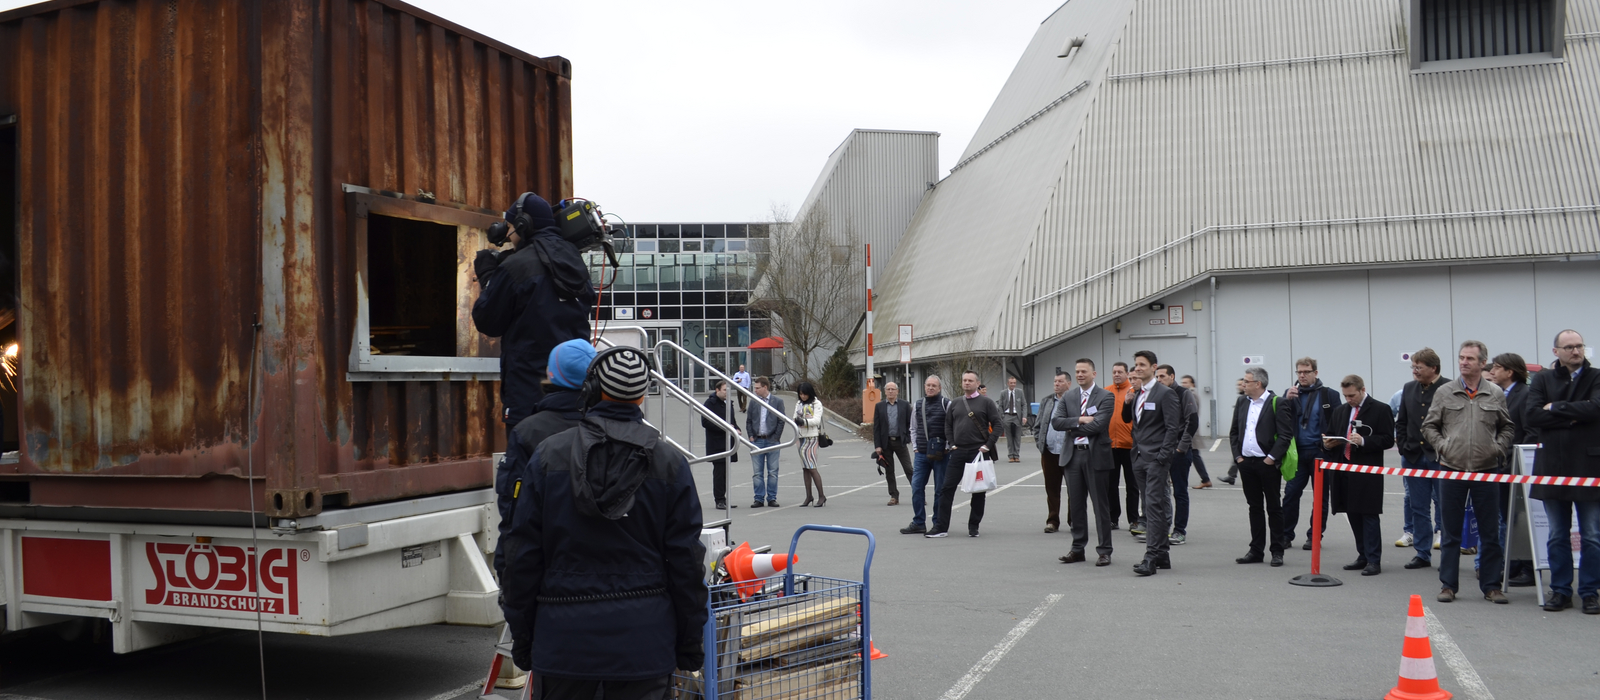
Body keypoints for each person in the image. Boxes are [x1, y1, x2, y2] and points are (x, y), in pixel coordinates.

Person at [501, 346, 708, 698]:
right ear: (642, 396)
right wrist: (689, 646)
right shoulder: (670, 463)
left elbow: (521, 556)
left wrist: (523, 638)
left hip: (563, 643)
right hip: (644, 645)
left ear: (591, 390)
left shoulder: (548, 456)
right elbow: (687, 565)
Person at [472, 193, 598, 441]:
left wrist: (489, 278)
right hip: (573, 393)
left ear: (522, 225)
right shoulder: (574, 261)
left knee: (525, 469)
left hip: (527, 391)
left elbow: (488, 321)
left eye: (509, 226)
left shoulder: (516, 267)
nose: (506, 233)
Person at [1422, 340, 1514, 604]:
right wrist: (1443, 446)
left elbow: (1507, 427)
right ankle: (1448, 586)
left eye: (1470, 359)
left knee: (1489, 531)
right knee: (1450, 532)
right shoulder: (1445, 392)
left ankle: (1491, 586)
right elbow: (1430, 426)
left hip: (1487, 471)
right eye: (1462, 358)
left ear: (1482, 363)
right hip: (1452, 470)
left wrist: (1497, 449)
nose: (1464, 362)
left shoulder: (1495, 392)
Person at [496, 339, 596, 580]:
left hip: (548, 568)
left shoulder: (527, 431)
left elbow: (514, 509)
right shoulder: (610, 426)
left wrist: (506, 566)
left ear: (551, 374)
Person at [1524, 330, 1600, 614]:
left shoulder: (1597, 377)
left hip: (1589, 468)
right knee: (1557, 534)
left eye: (1579, 346)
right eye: (1569, 347)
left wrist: (1556, 408)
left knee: (1592, 535)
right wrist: (1575, 417)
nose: (1576, 351)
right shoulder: (1543, 378)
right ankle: (1560, 591)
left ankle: (1590, 592)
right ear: (1556, 351)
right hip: (1552, 467)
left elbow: (1597, 408)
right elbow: (1531, 415)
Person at [1323, 374, 1394, 576]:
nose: (1349, 400)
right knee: (1352, 512)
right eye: (1345, 396)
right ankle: (1362, 555)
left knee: (1369, 514)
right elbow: (1331, 434)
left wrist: (1364, 441)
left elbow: (1388, 439)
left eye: (1352, 395)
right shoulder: (1340, 411)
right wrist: (1328, 443)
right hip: (1344, 468)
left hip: (1367, 470)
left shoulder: (1380, 409)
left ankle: (1374, 559)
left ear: (1363, 390)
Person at [1229, 366, 1296, 567]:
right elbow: (1234, 433)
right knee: (1254, 507)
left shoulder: (1278, 403)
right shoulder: (1242, 402)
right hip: (1246, 463)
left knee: (1274, 507)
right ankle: (1256, 550)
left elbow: (1285, 435)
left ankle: (1277, 551)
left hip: (1266, 464)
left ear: (1258, 384)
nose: (1243, 385)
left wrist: (1271, 458)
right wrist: (1238, 457)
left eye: (1246, 381)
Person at [1123, 351, 1183, 575]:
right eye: (1135, 364)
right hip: (1139, 457)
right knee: (1150, 505)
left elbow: (1172, 428)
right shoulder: (1139, 393)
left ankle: (1151, 555)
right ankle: (1162, 555)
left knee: (1153, 508)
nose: (1137, 368)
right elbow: (1135, 424)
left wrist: (1162, 457)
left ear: (1153, 367)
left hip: (1156, 459)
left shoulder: (1164, 394)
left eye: (1141, 365)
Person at [1053, 359, 1117, 566]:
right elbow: (1056, 422)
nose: (1080, 374)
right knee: (1077, 505)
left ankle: (1104, 550)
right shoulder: (1069, 397)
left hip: (1095, 456)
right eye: (1077, 371)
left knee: (1100, 506)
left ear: (1094, 373)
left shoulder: (1106, 396)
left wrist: (1071, 428)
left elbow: (1099, 426)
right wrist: (1080, 420)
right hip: (1072, 457)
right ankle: (1077, 548)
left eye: (1084, 371)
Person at [930, 370, 1002, 538]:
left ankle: (973, 526)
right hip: (958, 452)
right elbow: (948, 425)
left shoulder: (986, 403)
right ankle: (940, 527)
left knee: (978, 491)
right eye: (964, 380)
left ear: (977, 383)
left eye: (970, 380)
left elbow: (998, 425)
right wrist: (952, 444)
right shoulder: (955, 403)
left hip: (978, 452)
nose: (967, 383)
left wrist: (988, 445)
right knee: (946, 488)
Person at [1397, 347, 1450, 570]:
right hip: (1412, 456)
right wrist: (1402, 446)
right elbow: (1402, 421)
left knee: (1445, 507)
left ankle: (1448, 554)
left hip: (1439, 457)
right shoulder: (1409, 388)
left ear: (1433, 368)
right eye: (1413, 367)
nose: (1414, 371)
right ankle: (1422, 553)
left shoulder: (1449, 388)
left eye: (1418, 367)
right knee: (1418, 507)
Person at [1487, 353, 1536, 586]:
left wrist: (1515, 461)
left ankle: (1527, 568)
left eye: (1497, 368)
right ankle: (1513, 566)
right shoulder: (1500, 394)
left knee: (1520, 520)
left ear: (1510, 371)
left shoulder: (1524, 395)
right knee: (1508, 519)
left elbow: (1530, 432)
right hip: (1501, 466)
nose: (1493, 372)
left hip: (1516, 466)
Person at [1282, 358, 1341, 551]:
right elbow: (1282, 420)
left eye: (1306, 372)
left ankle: (1314, 536)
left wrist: (1331, 446)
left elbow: (1337, 422)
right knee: (1290, 494)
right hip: (1297, 454)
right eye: (1299, 372)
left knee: (1320, 497)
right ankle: (1286, 535)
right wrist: (1287, 401)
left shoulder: (1329, 395)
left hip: (1320, 453)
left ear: (1315, 373)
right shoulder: (1291, 394)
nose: (1302, 375)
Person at [901, 376, 952, 535]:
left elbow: (952, 427)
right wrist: (916, 448)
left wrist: (947, 446)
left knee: (939, 490)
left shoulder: (947, 404)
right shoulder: (917, 404)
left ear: (939, 388)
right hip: (922, 454)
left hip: (941, 455)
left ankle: (937, 523)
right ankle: (918, 522)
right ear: (924, 386)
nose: (930, 388)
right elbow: (913, 428)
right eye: (928, 385)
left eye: (934, 386)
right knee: (916, 487)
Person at [1155, 364, 1199, 544]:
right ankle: (1159, 528)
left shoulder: (1183, 393)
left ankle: (1179, 530)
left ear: (1172, 377)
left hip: (1178, 451)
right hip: (1161, 449)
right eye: (1157, 377)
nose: (1159, 380)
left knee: (1179, 492)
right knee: (1158, 491)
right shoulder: (1157, 394)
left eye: (1162, 377)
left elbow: (1193, 421)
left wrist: (1181, 448)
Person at [1036, 370, 1072, 533]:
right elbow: (1038, 425)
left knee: (1074, 489)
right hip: (1049, 452)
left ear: (1068, 384)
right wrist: (1040, 443)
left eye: (1060, 381)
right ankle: (1052, 520)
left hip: (1070, 452)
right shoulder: (1046, 401)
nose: (1056, 384)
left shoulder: (1075, 401)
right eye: (1055, 381)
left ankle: (1074, 520)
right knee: (1052, 489)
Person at [1106, 362, 1141, 531]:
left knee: (1132, 486)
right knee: (1111, 485)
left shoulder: (1134, 392)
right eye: (1114, 372)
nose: (1116, 374)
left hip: (1130, 446)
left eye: (1120, 372)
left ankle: (1133, 519)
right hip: (1110, 446)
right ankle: (1113, 518)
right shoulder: (1106, 392)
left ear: (1127, 373)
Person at [746, 377, 786, 508]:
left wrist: (776, 437)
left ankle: (772, 498)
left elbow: (781, 420)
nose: (755, 390)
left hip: (772, 440)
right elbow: (749, 421)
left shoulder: (777, 402)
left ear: (765, 387)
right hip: (757, 440)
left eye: (757, 388)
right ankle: (758, 498)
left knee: (773, 471)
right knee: (757, 472)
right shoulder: (753, 402)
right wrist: (751, 436)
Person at [873, 382, 915, 506]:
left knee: (908, 469)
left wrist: (907, 438)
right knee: (889, 471)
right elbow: (876, 427)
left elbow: (910, 423)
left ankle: (918, 494)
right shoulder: (879, 406)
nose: (891, 391)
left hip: (900, 442)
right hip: (886, 443)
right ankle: (893, 496)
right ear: (885, 392)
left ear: (897, 391)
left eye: (893, 389)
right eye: (888, 389)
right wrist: (878, 446)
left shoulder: (904, 405)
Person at [702, 380, 741, 511]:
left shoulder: (728, 403)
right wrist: (725, 428)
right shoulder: (710, 403)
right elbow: (706, 422)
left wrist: (736, 428)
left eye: (728, 390)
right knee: (719, 473)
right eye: (724, 390)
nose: (727, 393)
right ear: (717, 390)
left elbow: (732, 421)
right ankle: (719, 500)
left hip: (728, 443)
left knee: (725, 473)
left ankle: (724, 499)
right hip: (717, 444)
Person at [793, 382, 827, 507]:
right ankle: (809, 495)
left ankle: (822, 495)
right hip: (800, 437)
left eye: (805, 394)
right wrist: (796, 420)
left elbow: (817, 420)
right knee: (805, 468)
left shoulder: (816, 403)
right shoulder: (799, 403)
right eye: (800, 394)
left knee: (812, 467)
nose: (802, 396)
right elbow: (794, 416)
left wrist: (804, 421)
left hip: (811, 437)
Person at [1391, 387, 1413, 548]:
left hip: (1435, 453)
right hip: (1410, 454)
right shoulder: (1402, 394)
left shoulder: (1442, 390)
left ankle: (1440, 531)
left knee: (1438, 496)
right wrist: (1401, 443)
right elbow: (1389, 414)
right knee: (1409, 495)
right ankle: (1410, 532)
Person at [1182, 375, 1213, 489]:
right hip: (1191, 430)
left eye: (1186, 382)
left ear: (1192, 384)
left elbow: (1190, 413)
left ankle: (1205, 479)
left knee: (1194, 455)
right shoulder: (1190, 394)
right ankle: (1205, 479)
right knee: (1192, 455)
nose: (1183, 384)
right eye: (1182, 382)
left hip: (1190, 430)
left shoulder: (1191, 394)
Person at [998, 376, 1031, 464]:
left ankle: (1016, 455)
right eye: (1011, 383)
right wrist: (1002, 416)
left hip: (1017, 416)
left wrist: (1024, 416)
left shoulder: (1020, 392)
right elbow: (1000, 405)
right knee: (1009, 437)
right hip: (1007, 415)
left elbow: (1024, 404)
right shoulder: (1003, 393)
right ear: (1008, 383)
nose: (1013, 384)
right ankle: (1011, 455)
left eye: (1014, 383)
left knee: (1017, 437)